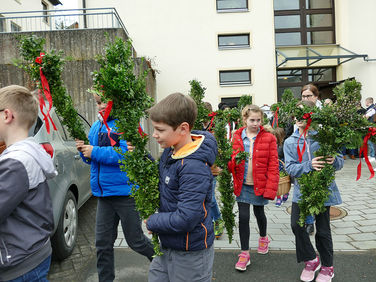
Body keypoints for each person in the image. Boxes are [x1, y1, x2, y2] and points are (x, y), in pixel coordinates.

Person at [75, 93, 154, 282]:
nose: (100, 105)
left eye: (104, 101)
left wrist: (94, 151)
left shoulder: (127, 124)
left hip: (125, 194)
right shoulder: (96, 126)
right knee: (102, 244)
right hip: (103, 195)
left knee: (136, 241)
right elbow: (92, 158)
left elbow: (126, 154)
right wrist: (84, 151)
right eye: (97, 102)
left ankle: (165, 262)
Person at [146, 93, 217, 282]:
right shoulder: (171, 151)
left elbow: (187, 218)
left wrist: (153, 221)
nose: (154, 135)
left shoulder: (193, 167)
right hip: (169, 244)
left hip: (190, 253)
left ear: (183, 129)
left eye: (160, 130)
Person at [0, 85, 57, 281]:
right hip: (32, 253)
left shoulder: (16, 163)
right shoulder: (28, 153)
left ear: (7, 115)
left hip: (20, 263)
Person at [284, 100, 344, 282]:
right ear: (294, 118)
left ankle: (327, 267)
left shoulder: (325, 137)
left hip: (323, 190)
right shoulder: (289, 142)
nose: (300, 118)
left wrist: (334, 160)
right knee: (297, 225)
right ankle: (311, 259)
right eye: (297, 115)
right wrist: (308, 165)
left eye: (304, 114)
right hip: (302, 192)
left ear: (312, 116)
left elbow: (340, 162)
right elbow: (290, 168)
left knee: (323, 231)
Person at [228, 105, 279, 272]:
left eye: (258, 120)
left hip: (260, 184)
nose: (255, 123)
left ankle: (263, 237)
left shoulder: (269, 138)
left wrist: (271, 188)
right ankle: (244, 253)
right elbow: (231, 160)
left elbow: (273, 165)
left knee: (259, 213)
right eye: (252, 120)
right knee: (243, 217)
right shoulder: (236, 136)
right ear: (244, 120)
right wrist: (231, 163)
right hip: (242, 184)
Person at [203, 101, 225, 239]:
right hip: (200, 166)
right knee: (205, 196)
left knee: (210, 197)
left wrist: (220, 164)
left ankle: (217, 220)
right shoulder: (198, 126)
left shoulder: (216, 126)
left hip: (212, 166)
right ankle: (210, 221)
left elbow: (221, 146)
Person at [271, 126, 289, 207]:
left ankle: (283, 194)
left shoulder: (284, 145)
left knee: (282, 181)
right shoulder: (273, 143)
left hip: (282, 165)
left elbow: (282, 155)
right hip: (275, 164)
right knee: (277, 181)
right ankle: (280, 196)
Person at [363, 97, 376, 162]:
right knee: (370, 142)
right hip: (370, 127)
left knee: (371, 142)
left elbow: (366, 117)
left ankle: (373, 155)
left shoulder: (372, 109)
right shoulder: (371, 108)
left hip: (372, 128)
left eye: (365, 101)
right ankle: (372, 155)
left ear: (368, 102)